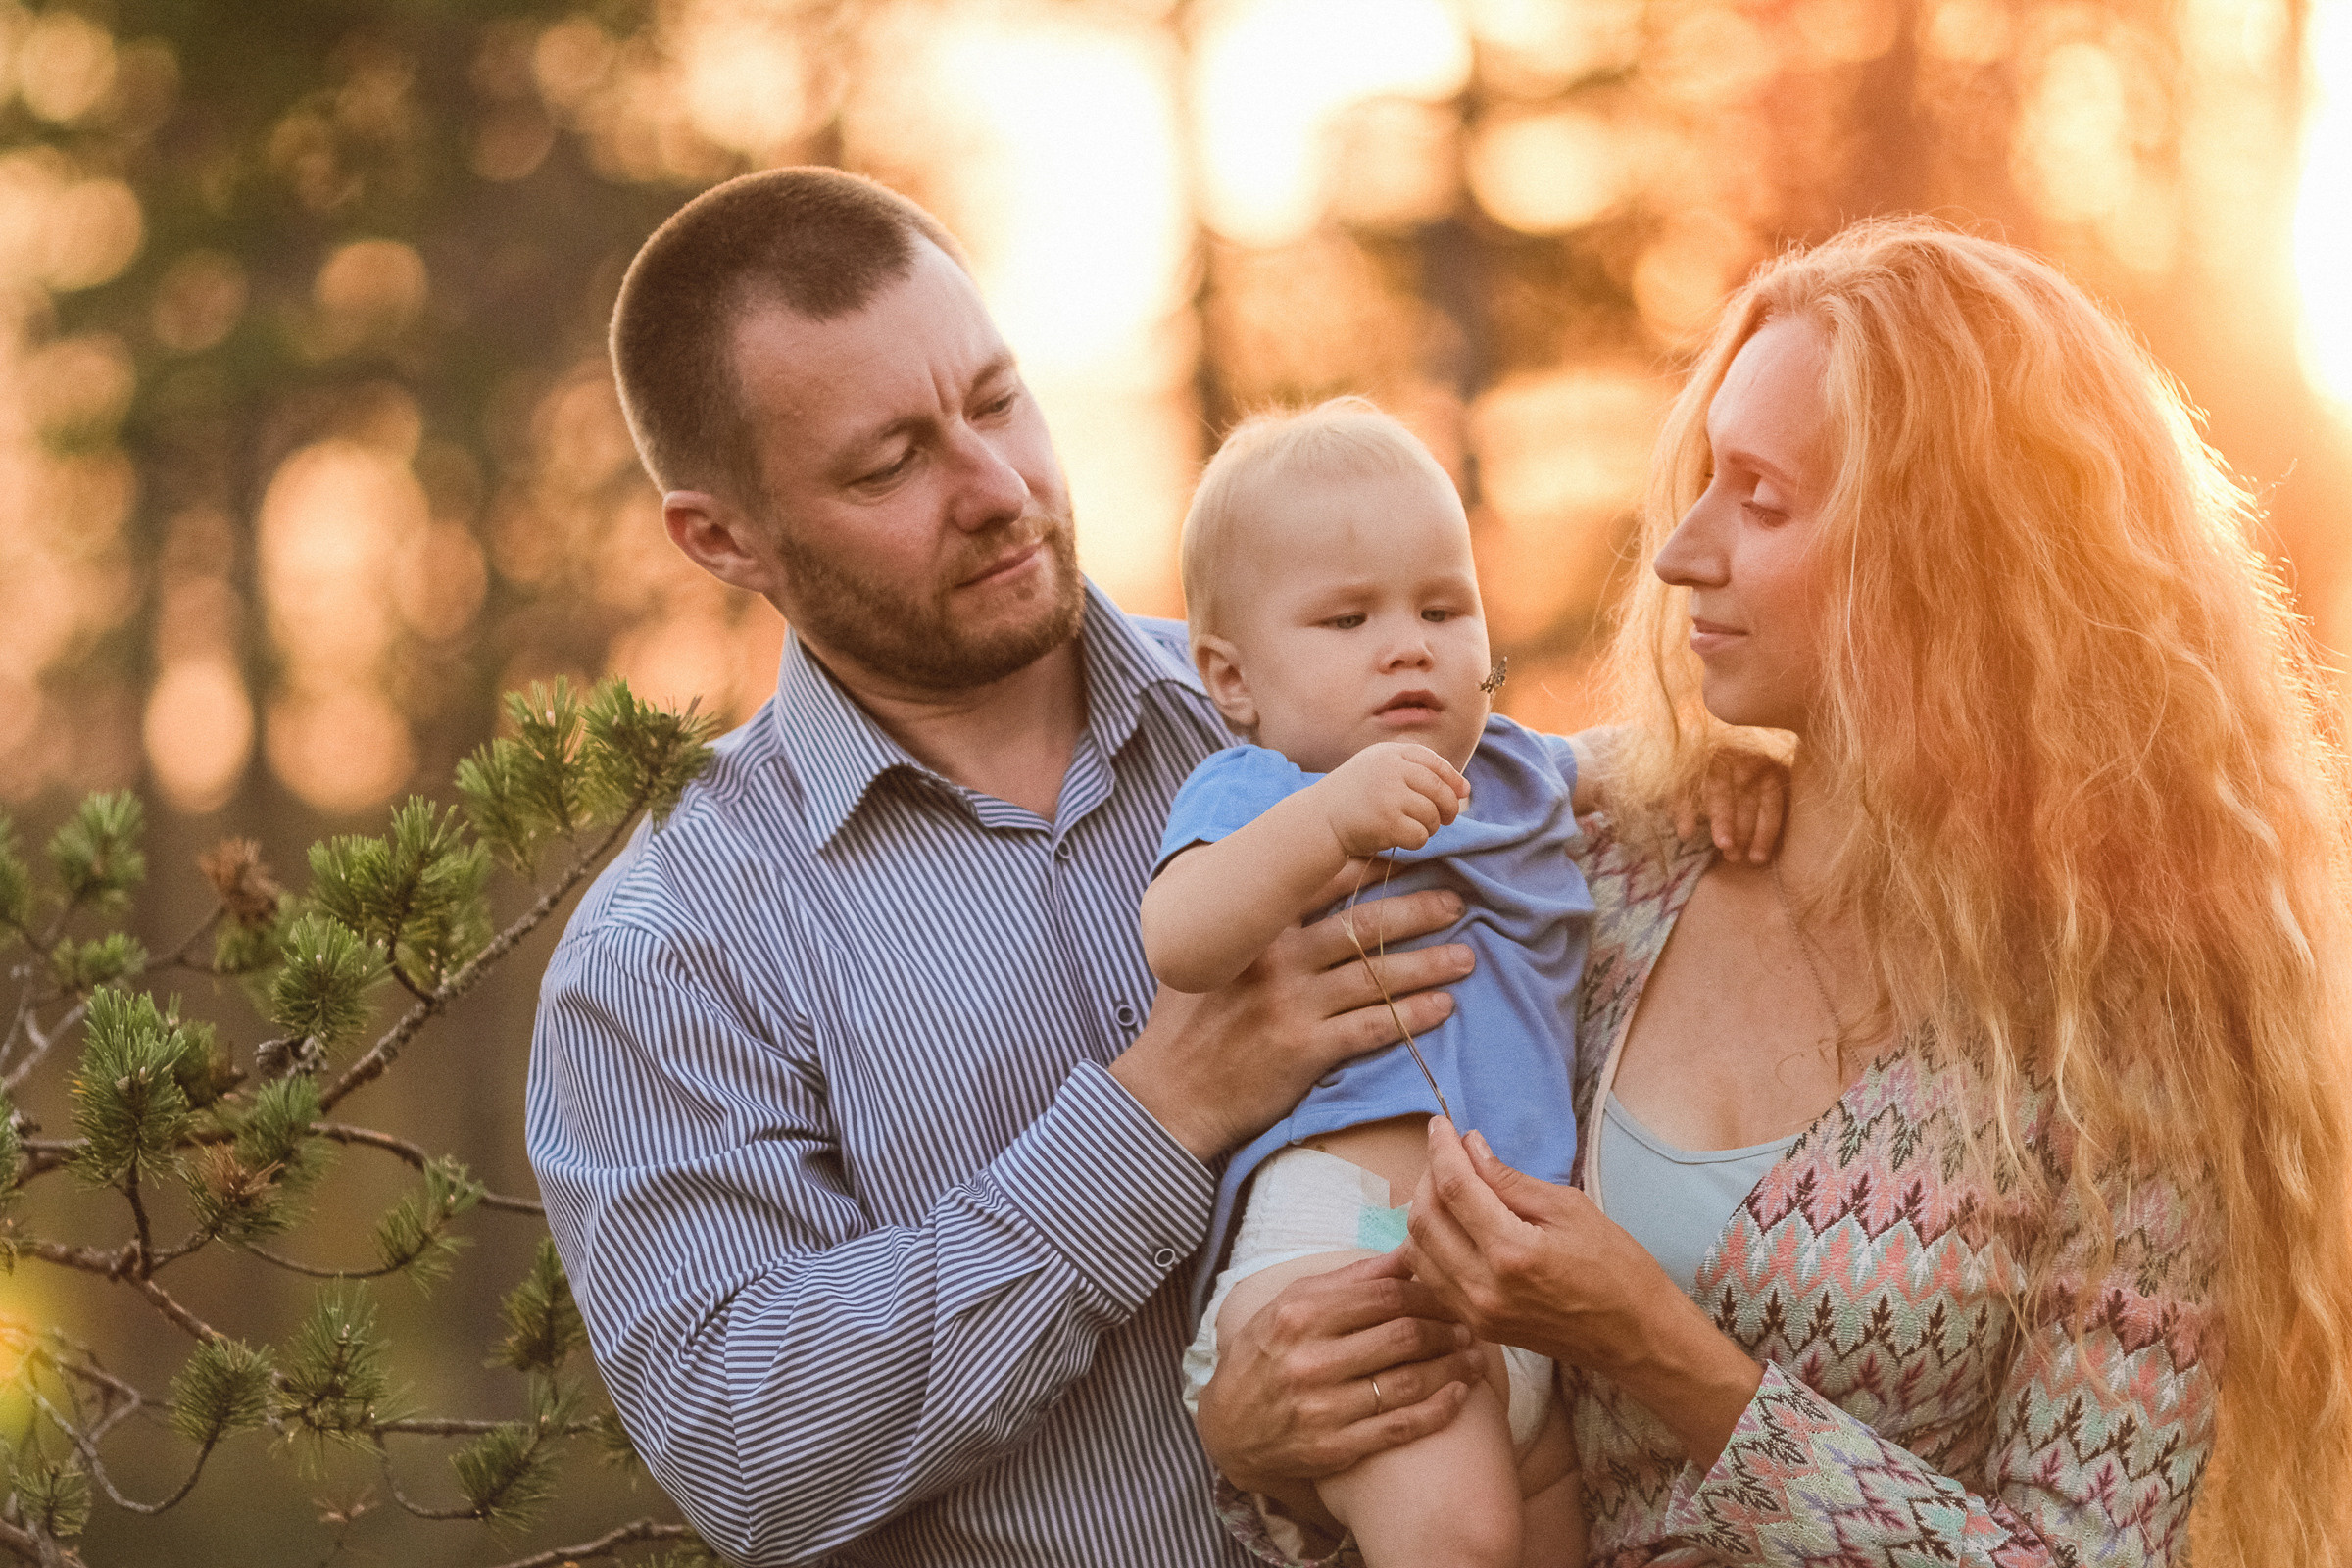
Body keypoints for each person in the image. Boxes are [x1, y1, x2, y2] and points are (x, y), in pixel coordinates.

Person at [1195, 217, 2352, 1567]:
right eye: (1701, 483)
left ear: (1939, 551)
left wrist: (1668, 1357)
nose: (1680, 551)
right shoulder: (1598, 845)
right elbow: (1296, 1102)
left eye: (1759, 498)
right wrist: (1254, 1430)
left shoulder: (2127, 1030)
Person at [525, 168, 1487, 1567]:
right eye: (889, 464)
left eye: (994, 401)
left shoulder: (1303, 710)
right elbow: (751, 1448)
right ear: (721, 537)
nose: (995, 488)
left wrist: (1743, 780)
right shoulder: (665, 955)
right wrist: (1159, 1115)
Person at [1144, 401, 1587, 1567]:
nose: (1409, 644)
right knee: (1460, 1540)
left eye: (1443, 607)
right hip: (1353, 1250)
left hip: (1511, 1285)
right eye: (1349, 618)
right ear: (1231, 678)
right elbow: (1180, 936)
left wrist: (1729, 774)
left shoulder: (1513, 773)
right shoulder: (1263, 786)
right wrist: (1325, 822)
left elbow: (1634, 771)